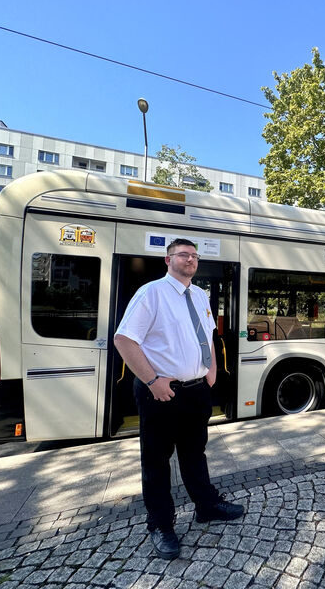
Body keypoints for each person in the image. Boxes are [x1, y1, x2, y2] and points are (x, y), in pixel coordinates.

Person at [114, 238, 244, 560]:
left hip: (197, 391)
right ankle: (161, 525)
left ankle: (206, 505)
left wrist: (211, 371)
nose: (190, 260)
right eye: (183, 255)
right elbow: (124, 340)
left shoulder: (199, 295)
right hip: (161, 394)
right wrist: (153, 381)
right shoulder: (151, 293)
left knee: (194, 453)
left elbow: (208, 335)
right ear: (168, 260)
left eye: (194, 256)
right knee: (156, 463)